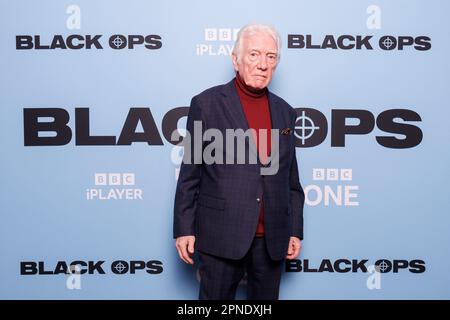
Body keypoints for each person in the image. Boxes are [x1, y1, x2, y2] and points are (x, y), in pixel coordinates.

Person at [173, 23, 305, 300]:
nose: (262, 64)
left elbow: (291, 181)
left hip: (271, 240)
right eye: (254, 54)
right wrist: (184, 228)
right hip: (221, 233)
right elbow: (190, 173)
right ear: (236, 59)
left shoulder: (286, 112)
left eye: (271, 57)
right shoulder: (206, 104)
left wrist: (294, 230)